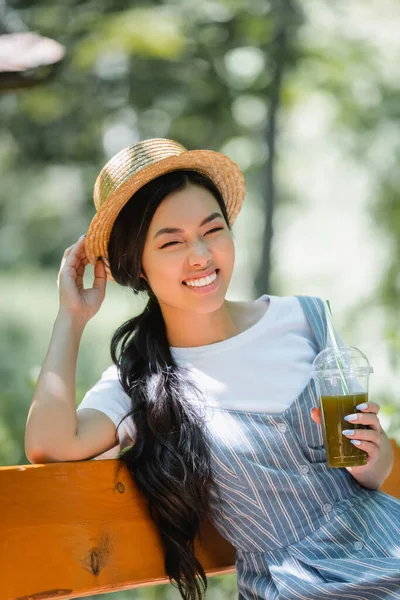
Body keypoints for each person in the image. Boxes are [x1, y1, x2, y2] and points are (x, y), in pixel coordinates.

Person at [25, 138, 400, 600]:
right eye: (172, 241)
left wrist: (373, 457)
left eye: (213, 229)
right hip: (297, 589)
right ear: (137, 265)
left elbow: (369, 472)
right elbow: (48, 444)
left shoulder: (303, 320)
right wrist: (72, 317)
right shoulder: (143, 381)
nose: (201, 255)